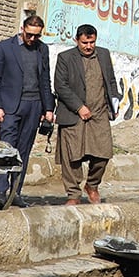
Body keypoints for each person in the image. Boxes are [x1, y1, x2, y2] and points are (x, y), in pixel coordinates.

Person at [0, 12, 55, 203]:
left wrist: (48, 109)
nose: (32, 39)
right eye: (29, 35)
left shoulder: (42, 50)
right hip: (9, 107)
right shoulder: (4, 48)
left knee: (24, 151)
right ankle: (1, 193)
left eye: (37, 36)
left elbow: (45, 79)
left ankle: (15, 192)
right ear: (22, 29)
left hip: (34, 106)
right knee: (6, 150)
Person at [53, 25, 117, 204]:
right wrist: (79, 107)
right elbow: (60, 86)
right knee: (72, 155)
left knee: (103, 153)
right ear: (76, 40)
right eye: (85, 42)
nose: (89, 46)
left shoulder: (103, 55)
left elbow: (111, 80)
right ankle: (73, 194)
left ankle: (92, 185)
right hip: (75, 114)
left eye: (92, 42)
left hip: (99, 113)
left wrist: (115, 100)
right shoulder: (65, 58)